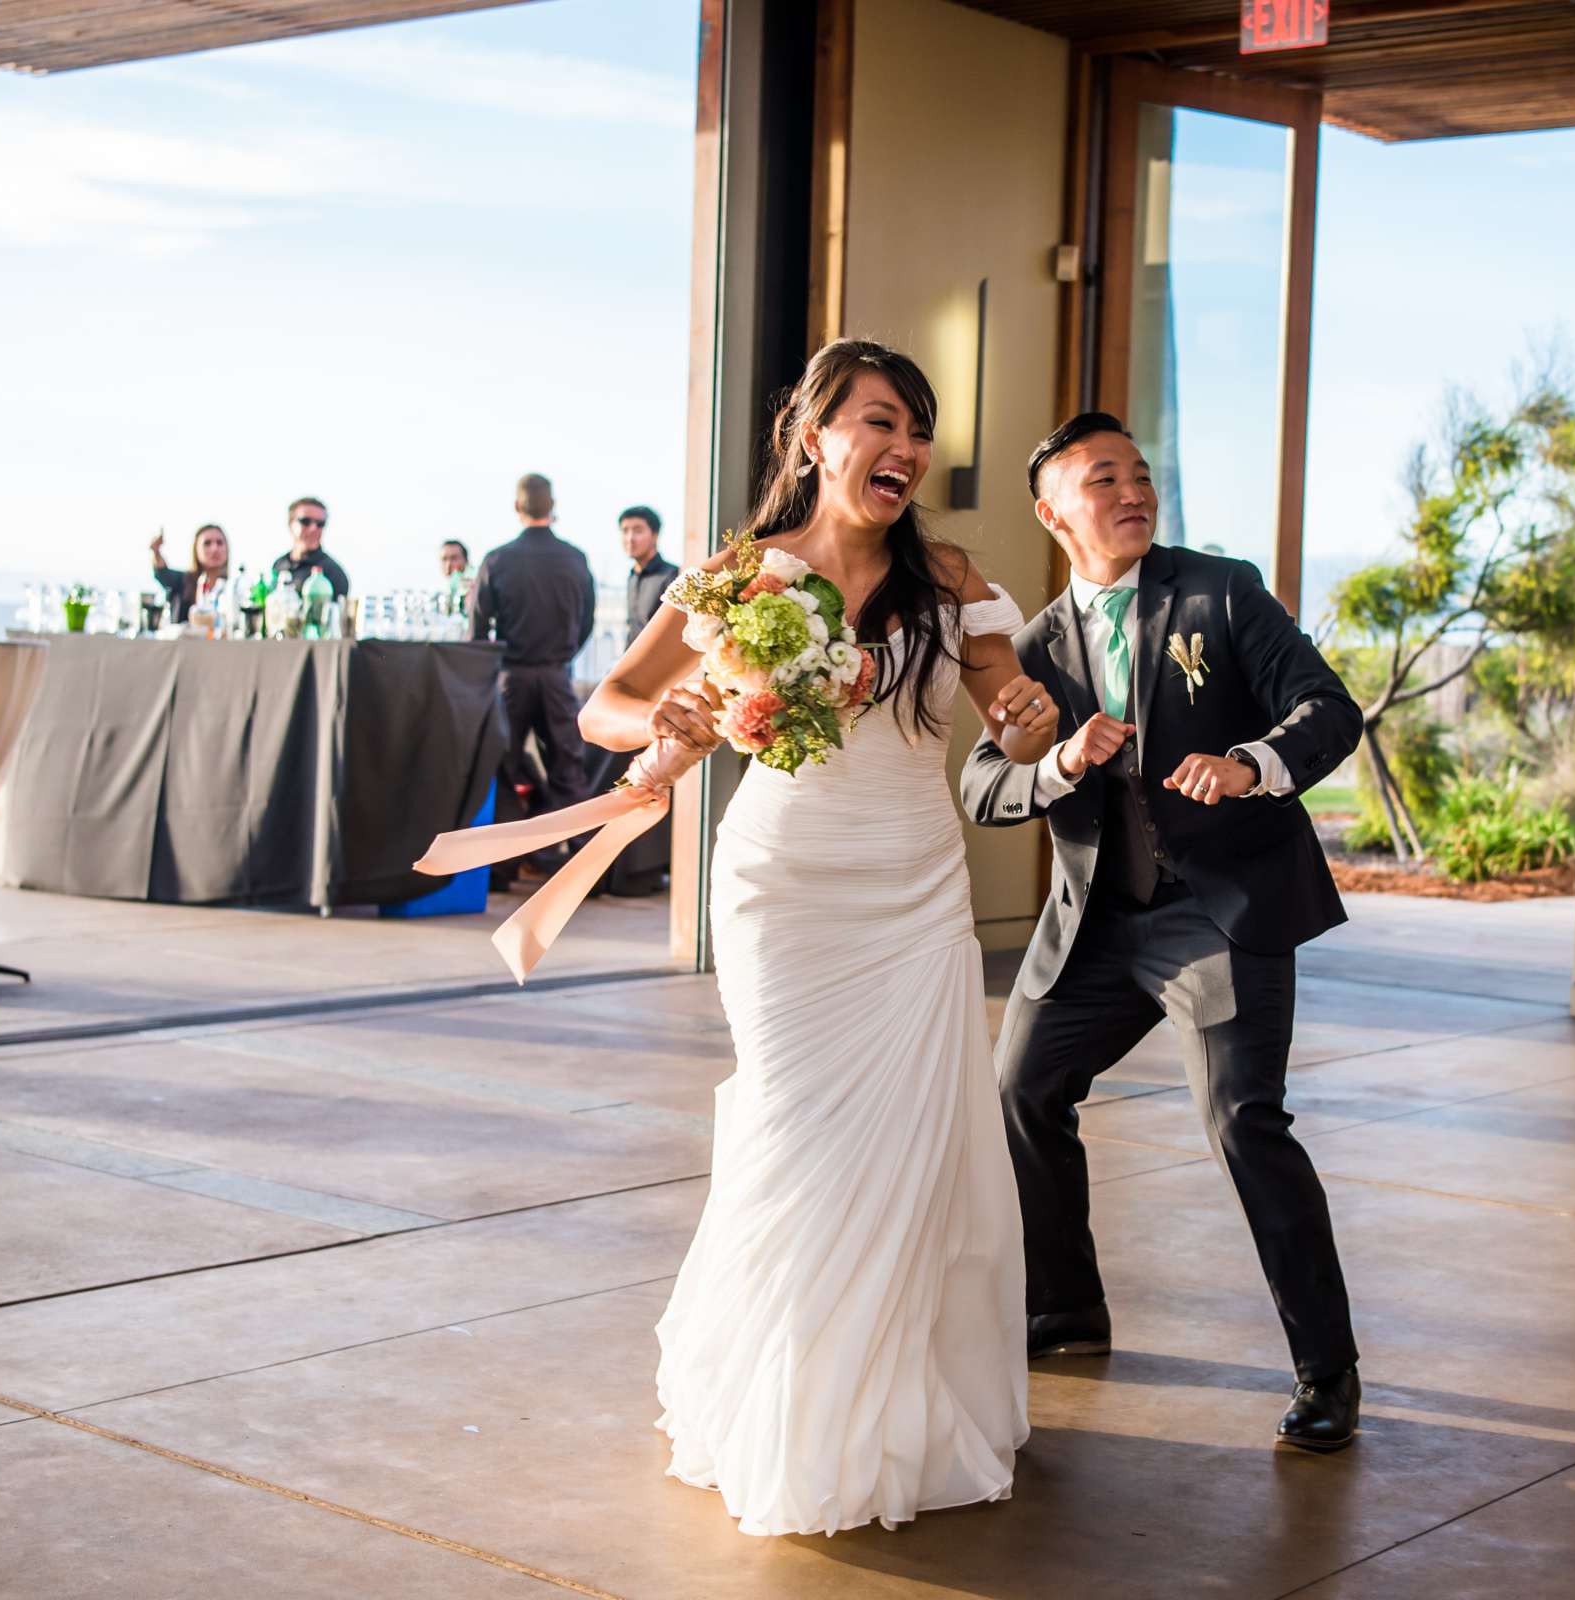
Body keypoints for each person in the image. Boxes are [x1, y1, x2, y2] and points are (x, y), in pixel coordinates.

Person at [580, 339, 1057, 1536]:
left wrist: (1030, 716)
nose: (904, 448)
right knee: (798, 1136)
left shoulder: (948, 577)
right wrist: (673, 710)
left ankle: (885, 1404)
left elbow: (1012, 711)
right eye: (879, 422)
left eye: (918, 430)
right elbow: (606, 706)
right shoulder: (741, 577)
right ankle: (786, 1412)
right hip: (785, 894)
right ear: (814, 437)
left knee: (907, 1151)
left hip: (915, 900)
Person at [961, 412, 1366, 1452]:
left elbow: (1327, 708)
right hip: (1096, 924)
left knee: (1242, 1119)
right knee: (1021, 1088)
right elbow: (984, 783)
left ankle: (1327, 1370)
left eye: (1140, 475)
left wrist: (1250, 764)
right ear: (1055, 511)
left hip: (1217, 911)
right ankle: (1062, 1311)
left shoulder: (1220, 591)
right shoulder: (1036, 645)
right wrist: (1060, 766)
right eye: (1105, 479)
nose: (1133, 491)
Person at [471, 475, 596, 821]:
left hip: (512, 679)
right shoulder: (575, 558)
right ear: (552, 507)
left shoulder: (497, 560)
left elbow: (478, 630)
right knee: (569, 772)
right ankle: (581, 861)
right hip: (557, 677)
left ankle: (508, 867)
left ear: (516, 506)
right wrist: (563, 656)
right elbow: (586, 622)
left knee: (504, 769)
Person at [619, 504, 677, 653]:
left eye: (638, 531)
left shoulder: (671, 575)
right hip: (632, 664)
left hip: (658, 666)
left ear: (655, 535)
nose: (630, 538)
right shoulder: (632, 576)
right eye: (625, 531)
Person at [148, 524, 230, 626]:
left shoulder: (233, 588)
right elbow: (162, 572)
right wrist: (156, 551)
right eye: (207, 543)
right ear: (196, 549)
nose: (214, 549)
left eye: (219, 543)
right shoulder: (182, 581)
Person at [271, 497, 350, 597]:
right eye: (305, 521)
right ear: (291, 524)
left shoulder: (334, 573)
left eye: (320, 524)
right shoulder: (279, 564)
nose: (313, 528)